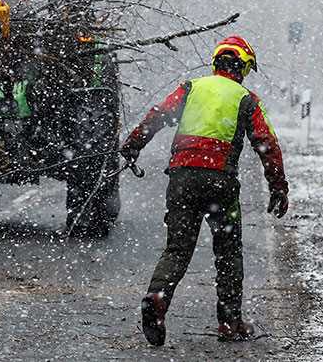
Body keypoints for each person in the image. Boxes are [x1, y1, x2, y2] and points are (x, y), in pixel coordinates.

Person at [120, 35, 289, 346]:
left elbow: (157, 115)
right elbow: (267, 145)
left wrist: (133, 144)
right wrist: (278, 186)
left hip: (182, 178)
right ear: (243, 67)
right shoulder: (246, 99)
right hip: (220, 183)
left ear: (217, 63)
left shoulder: (191, 88)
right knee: (228, 252)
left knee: (177, 249)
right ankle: (229, 323)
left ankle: (157, 299)